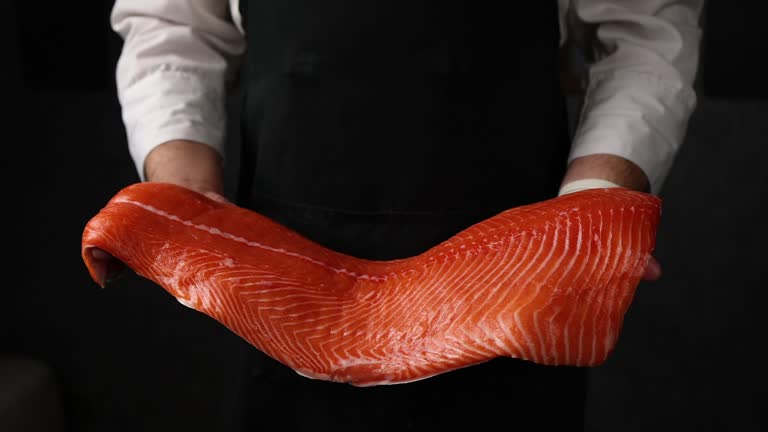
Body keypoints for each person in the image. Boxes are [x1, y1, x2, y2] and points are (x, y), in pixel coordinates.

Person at [102, 0, 703, 430]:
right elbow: (169, 22)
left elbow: (646, 32)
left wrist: (590, 212)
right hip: (282, 282)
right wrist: (185, 205)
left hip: (510, 282)